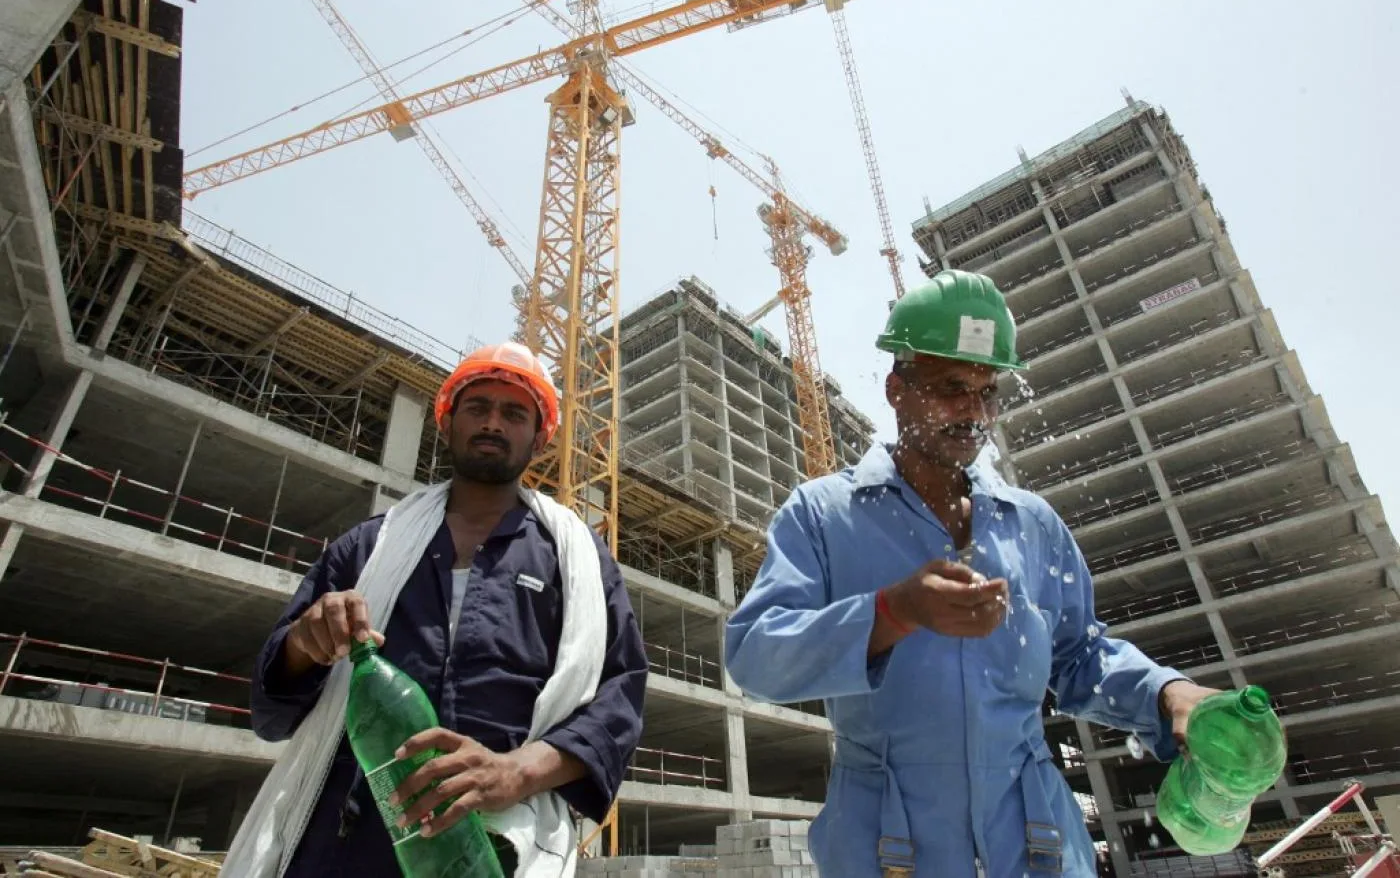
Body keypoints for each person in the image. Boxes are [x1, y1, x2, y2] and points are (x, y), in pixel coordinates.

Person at [723, 270, 1218, 878]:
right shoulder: (824, 514)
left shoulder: (1031, 523)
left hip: (1039, 847)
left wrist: (1168, 694)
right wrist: (890, 613)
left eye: (988, 392)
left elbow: (1081, 658)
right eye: (951, 387)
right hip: (886, 850)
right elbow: (753, 656)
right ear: (896, 389)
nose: (974, 412)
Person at [233, 342, 648, 877]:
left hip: (495, 847)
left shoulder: (577, 561)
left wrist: (516, 772)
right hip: (342, 843)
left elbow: (618, 702)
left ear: (539, 437)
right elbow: (273, 712)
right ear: (447, 423)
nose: (493, 423)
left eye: (514, 412)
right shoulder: (367, 549)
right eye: (478, 407)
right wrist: (301, 645)